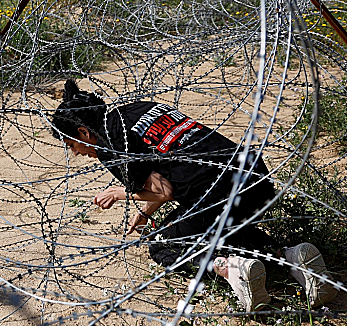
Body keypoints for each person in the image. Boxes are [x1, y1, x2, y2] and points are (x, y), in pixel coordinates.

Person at [50, 79, 338, 311]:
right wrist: (144, 213)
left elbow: (165, 189)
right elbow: (168, 167)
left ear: (83, 132)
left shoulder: (111, 145)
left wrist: (120, 192)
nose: (75, 153)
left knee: (162, 244)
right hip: (254, 179)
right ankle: (291, 257)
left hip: (217, 194)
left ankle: (232, 270)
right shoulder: (137, 110)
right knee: (214, 222)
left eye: (70, 144)